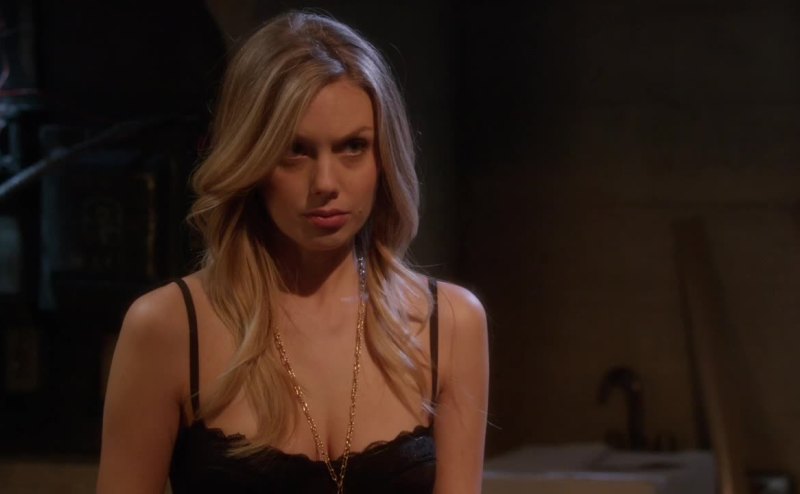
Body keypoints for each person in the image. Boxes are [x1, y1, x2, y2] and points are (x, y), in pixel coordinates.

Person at [97, 11, 488, 494]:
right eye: (295, 150)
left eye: (353, 147)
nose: (325, 183)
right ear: (252, 159)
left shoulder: (449, 323)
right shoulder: (168, 327)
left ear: (384, 157)